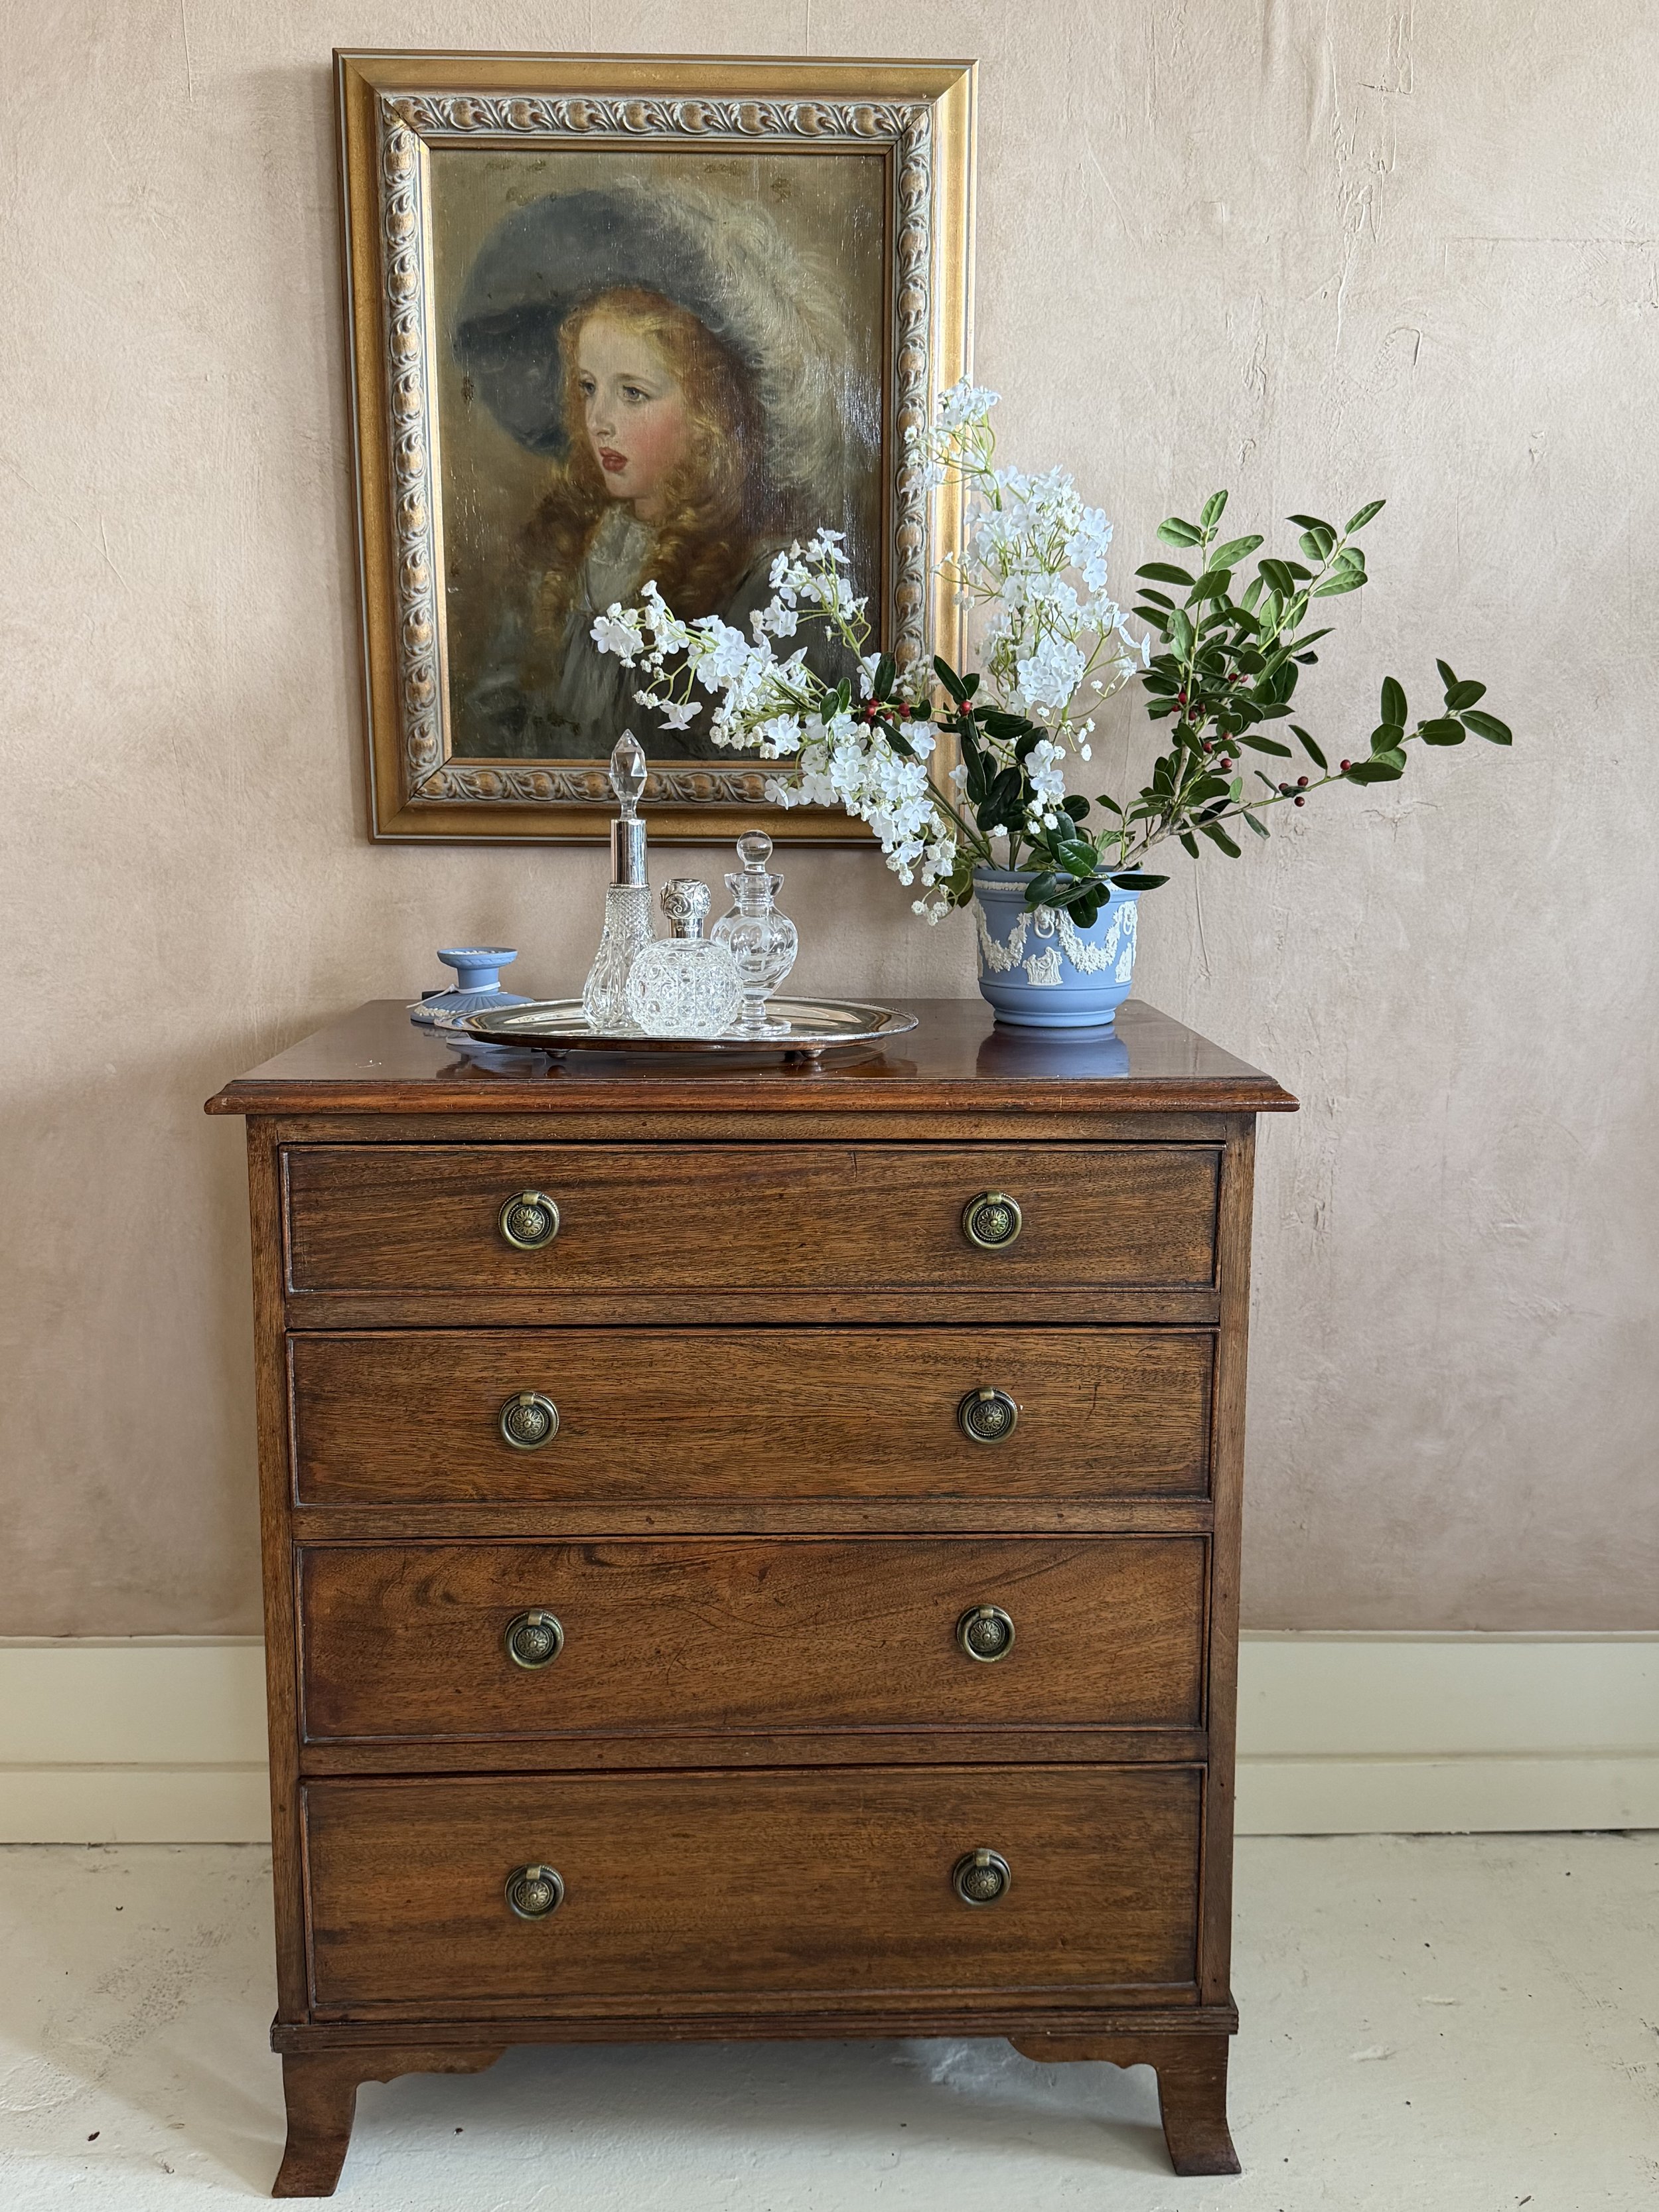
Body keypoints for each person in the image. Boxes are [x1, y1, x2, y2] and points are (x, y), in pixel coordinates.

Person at [469, 284, 818, 760]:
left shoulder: (764, 577)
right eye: (589, 388)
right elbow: (494, 712)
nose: (599, 420)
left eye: (633, 393)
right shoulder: (564, 536)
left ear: (707, 411)